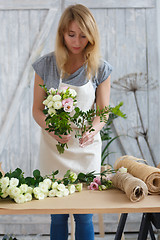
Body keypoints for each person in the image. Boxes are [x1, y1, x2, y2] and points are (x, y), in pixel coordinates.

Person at [32, 4, 112, 240]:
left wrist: (93, 129)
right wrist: (52, 129)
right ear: (62, 34)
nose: (77, 41)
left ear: (92, 35)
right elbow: (37, 110)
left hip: (86, 150)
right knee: (56, 214)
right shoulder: (45, 65)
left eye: (83, 35)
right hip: (53, 149)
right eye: (71, 34)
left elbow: (103, 112)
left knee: (84, 214)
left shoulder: (100, 68)